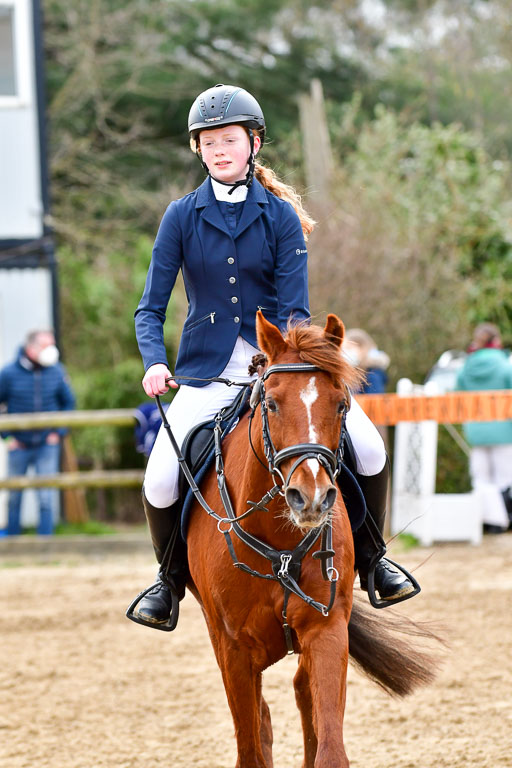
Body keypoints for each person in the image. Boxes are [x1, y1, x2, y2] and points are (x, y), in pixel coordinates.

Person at [131, 83, 416, 629]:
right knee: (161, 477)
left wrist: (284, 365)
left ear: (253, 143)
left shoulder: (281, 216)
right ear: (198, 149)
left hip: (279, 369)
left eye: (229, 139)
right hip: (207, 372)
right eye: (209, 141)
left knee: (370, 446)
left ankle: (376, 561)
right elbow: (150, 307)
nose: (219, 149)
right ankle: (167, 584)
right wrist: (153, 360)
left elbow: (295, 309)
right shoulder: (180, 216)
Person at [0, 330, 75, 535]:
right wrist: (7, 436)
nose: (51, 350)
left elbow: (69, 403)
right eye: (45, 345)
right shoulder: (8, 373)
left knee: (46, 497)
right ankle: (14, 543)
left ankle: (46, 544)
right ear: (30, 348)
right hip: (18, 445)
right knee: (14, 496)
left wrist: (58, 433)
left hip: (46, 445)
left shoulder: (57, 371)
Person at [455, 322, 512, 533]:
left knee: (481, 478)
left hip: (476, 431)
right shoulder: (505, 365)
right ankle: (501, 522)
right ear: (495, 341)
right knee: (505, 479)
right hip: (504, 430)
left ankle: (490, 521)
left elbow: (457, 391)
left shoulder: (466, 366)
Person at [343, 328, 390, 395]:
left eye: (349, 348)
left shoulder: (373, 376)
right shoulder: (350, 375)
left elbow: (373, 403)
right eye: (343, 348)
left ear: (362, 348)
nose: (345, 352)